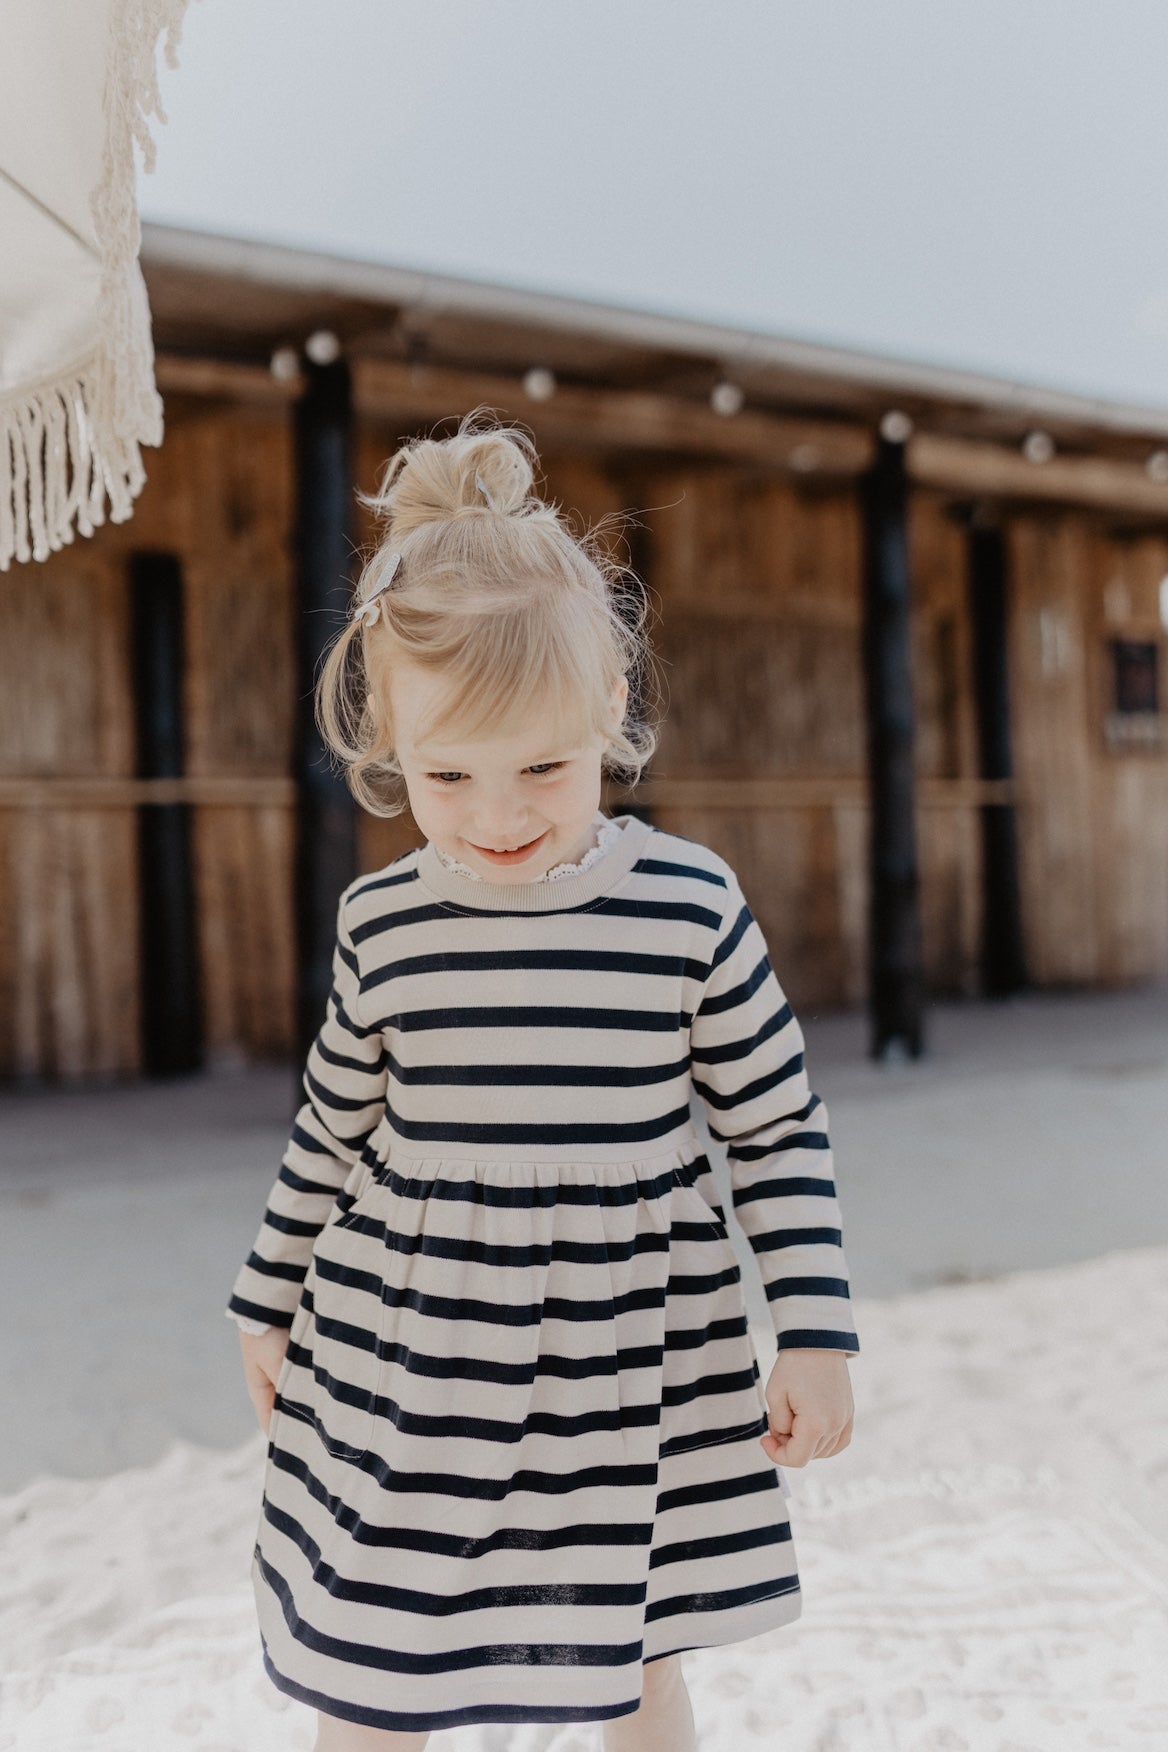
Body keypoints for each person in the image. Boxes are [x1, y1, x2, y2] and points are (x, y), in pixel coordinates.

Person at [226, 411, 859, 1752]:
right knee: (379, 1651)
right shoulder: (384, 924)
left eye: (545, 770)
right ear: (389, 737)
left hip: (631, 1362)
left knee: (632, 1661)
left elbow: (775, 1127)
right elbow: (333, 1130)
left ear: (611, 713)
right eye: (446, 774)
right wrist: (267, 1296)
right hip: (415, 1357)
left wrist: (811, 1328)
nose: (499, 813)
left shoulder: (686, 907)